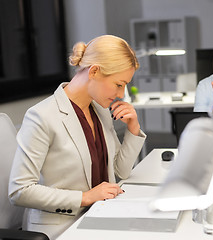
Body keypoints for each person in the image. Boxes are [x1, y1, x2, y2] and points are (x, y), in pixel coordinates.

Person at [8, 35, 146, 239]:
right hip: (61, 227)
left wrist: (133, 127)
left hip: (101, 217)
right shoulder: (42, 116)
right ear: (94, 71)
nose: (121, 94)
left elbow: (120, 170)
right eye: (119, 84)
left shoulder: (99, 110)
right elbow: (19, 190)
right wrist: (85, 197)